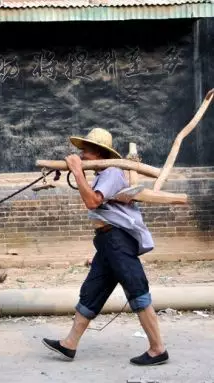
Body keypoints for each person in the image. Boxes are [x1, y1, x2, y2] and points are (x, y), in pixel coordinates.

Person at [41, 127, 169, 366]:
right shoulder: (102, 175)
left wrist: (78, 172)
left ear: (99, 153)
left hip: (117, 240)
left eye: (85, 151)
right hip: (107, 243)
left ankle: (157, 348)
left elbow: (91, 202)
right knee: (92, 290)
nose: (81, 155)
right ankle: (70, 344)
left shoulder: (111, 171)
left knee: (136, 288)